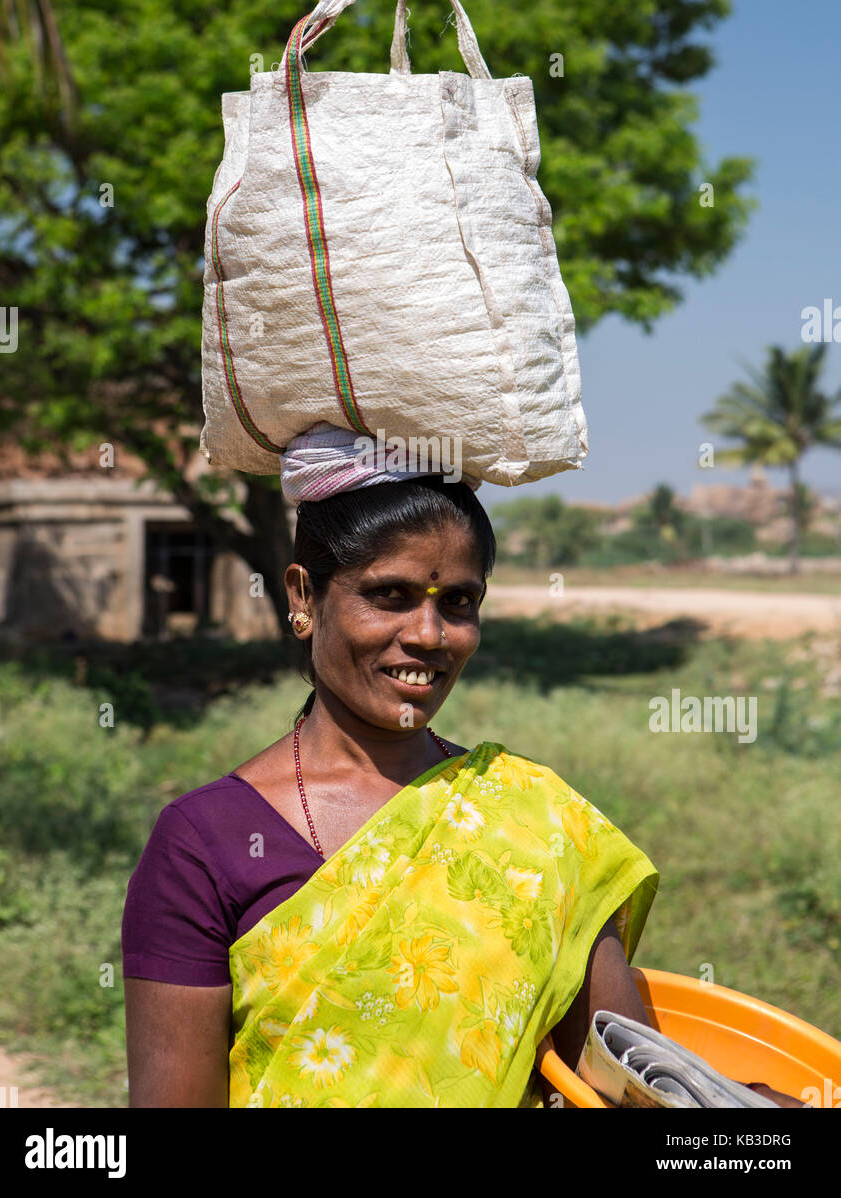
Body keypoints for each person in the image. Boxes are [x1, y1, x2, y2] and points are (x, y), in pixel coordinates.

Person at [122, 427, 801, 1108]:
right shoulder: (203, 842)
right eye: (389, 595)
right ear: (302, 596)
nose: (428, 634)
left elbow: (625, 1089)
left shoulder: (536, 818)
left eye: (458, 602)